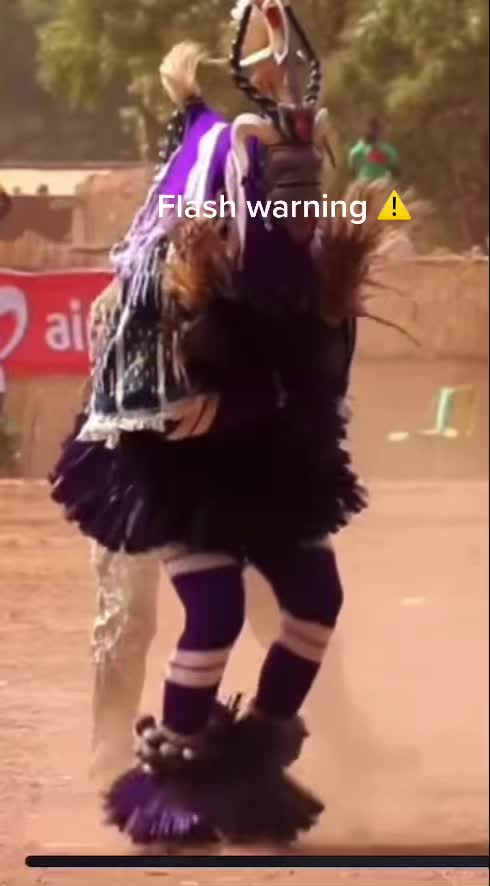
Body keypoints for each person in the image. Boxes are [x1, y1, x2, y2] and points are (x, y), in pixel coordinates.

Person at [50, 0, 396, 847]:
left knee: (303, 604)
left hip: (259, 452)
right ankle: (126, 756)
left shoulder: (306, 213)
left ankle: (263, 757)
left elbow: (375, 217)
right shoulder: (178, 242)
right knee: (155, 612)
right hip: (165, 452)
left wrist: (376, 204)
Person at [349, 116, 400, 182]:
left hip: (368, 184)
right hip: (378, 184)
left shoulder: (355, 151)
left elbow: (352, 172)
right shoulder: (388, 150)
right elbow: (395, 172)